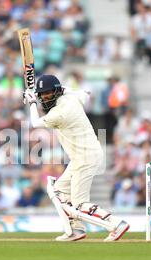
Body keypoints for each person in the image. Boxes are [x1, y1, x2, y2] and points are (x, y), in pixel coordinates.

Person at [23, 74, 129, 241]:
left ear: (57, 92)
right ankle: (76, 230)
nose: (45, 97)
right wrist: (63, 90)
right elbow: (85, 92)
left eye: (49, 93)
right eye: (42, 94)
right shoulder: (73, 97)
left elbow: (35, 123)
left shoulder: (59, 113)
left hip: (85, 157)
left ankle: (116, 224)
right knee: (58, 190)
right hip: (82, 156)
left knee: (79, 204)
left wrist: (31, 103)